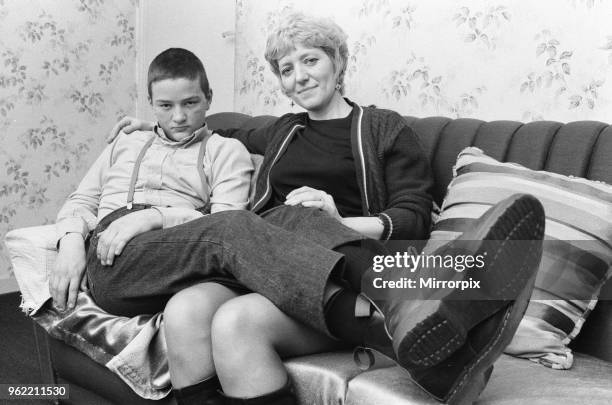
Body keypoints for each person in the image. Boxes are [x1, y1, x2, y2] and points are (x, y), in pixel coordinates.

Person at [104, 13, 545, 405]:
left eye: (310, 60)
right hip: (268, 266)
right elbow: (219, 126)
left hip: (338, 272)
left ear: (338, 61)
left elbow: (412, 215)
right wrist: (157, 126)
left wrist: (338, 220)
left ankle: (411, 303)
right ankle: (410, 305)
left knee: (238, 317)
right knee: (186, 309)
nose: (299, 77)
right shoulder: (282, 131)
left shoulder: (381, 127)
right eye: (286, 69)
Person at [49, 47, 254, 402]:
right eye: (165, 106)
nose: (178, 117)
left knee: (232, 236)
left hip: (177, 247)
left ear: (209, 99)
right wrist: (69, 241)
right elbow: (82, 201)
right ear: (150, 103)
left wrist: (154, 217)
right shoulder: (126, 142)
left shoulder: (226, 151)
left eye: (190, 103)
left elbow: (226, 227)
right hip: (112, 252)